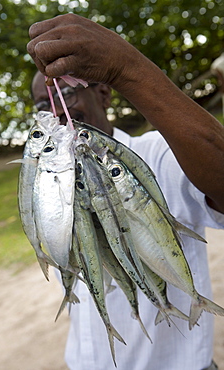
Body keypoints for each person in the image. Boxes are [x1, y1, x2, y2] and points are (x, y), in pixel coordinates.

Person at [28, 14, 224, 370]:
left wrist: (124, 65)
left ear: (103, 93)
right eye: (43, 104)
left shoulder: (157, 155)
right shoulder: (49, 182)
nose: (56, 109)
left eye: (66, 92)